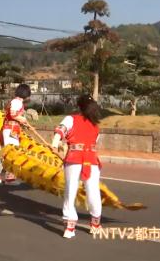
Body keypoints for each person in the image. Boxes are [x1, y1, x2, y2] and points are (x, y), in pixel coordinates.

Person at [51, 94, 102, 239]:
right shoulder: (95, 125)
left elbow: (60, 131)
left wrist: (55, 145)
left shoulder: (71, 119)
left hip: (75, 158)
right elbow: (94, 141)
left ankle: (70, 227)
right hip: (91, 160)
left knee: (70, 191)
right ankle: (95, 224)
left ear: (79, 105)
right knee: (93, 191)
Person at [0, 84, 32, 186]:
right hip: (11, 129)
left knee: (9, 152)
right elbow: (13, 114)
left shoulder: (15, 101)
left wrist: (23, 123)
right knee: (10, 152)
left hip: (12, 129)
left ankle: (7, 175)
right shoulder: (17, 102)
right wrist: (23, 120)